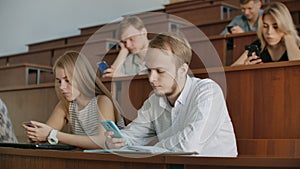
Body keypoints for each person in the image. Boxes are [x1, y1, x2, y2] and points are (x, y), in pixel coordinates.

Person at [104, 33, 238, 157]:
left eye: (160, 71)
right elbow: (134, 134)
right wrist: (118, 141)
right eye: (149, 70)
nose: (151, 79)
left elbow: (188, 145)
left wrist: (152, 148)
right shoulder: (154, 101)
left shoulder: (208, 91)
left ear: (182, 70)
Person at [22, 51, 124, 149]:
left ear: (81, 77)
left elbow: (103, 141)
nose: (61, 86)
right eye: (59, 81)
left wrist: (53, 134)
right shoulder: (65, 104)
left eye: (67, 80)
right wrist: (36, 134)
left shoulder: (103, 101)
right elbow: (46, 135)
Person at [232, 2, 300, 65]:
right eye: (265, 26)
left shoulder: (297, 45)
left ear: (285, 26)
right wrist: (245, 67)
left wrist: (289, 38)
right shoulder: (258, 45)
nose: (269, 32)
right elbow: (232, 70)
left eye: (275, 27)